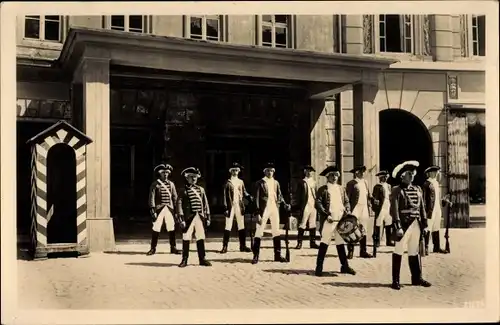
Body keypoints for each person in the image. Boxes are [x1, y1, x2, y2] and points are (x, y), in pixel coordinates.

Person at [390, 160, 431, 290]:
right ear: (402, 175)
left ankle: (416, 278)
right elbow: (394, 210)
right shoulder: (396, 190)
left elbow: (422, 207)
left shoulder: (417, 189)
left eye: (413, 174)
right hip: (403, 224)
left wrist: (425, 224)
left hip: (416, 224)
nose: (412, 176)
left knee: (414, 252)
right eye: (409, 174)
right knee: (399, 251)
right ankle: (395, 280)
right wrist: (397, 226)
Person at [315, 165, 356, 276]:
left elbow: (346, 201)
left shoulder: (341, 189)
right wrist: (325, 214)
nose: (334, 177)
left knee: (340, 243)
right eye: (332, 175)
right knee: (324, 242)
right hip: (329, 220)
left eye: (336, 175)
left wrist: (347, 210)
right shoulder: (323, 189)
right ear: (327, 177)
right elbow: (317, 203)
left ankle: (345, 266)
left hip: (340, 219)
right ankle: (319, 267)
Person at [252, 162, 291, 264]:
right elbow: (255, 199)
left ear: (274, 172)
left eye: (272, 171)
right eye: (268, 170)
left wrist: (285, 204)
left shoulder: (276, 183)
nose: (270, 172)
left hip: (274, 207)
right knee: (259, 231)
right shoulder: (259, 183)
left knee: (276, 231)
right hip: (263, 209)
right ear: (264, 171)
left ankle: (277, 255)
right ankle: (255, 255)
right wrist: (257, 213)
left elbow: (279, 195)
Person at [177, 167, 212, 267]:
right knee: (186, 237)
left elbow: (205, 204)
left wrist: (208, 217)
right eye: (191, 177)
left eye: (195, 177)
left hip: (199, 216)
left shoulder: (201, 189)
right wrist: (181, 218)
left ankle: (202, 259)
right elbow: (179, 205)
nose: (193, 179)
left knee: (200, 237)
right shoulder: (183, 190)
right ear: (187, 178)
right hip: (189, 217)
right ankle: (184, 260)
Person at [146, 164, 180, 256]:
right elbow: (151, 198)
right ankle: (153, 248)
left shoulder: (171, 184)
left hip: (169, 209)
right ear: (160, 174)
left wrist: (177, 211)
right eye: (163, 173)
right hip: (159, 208)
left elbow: (175, 198)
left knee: (171, 228)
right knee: (156, 228)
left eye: (167, 173)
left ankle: (173, 247)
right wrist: (152, 209)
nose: (165, 174)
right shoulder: (155, 184)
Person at [220, 162, 253, 254]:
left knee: (241, 225)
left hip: (239, 205)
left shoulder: (240, 182)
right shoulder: (227, 182)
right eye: (233, 170)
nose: (235, 172)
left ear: (238, 172)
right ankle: (225, 246)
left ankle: (243, 246)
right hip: (231, 206)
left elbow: (244, 192)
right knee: (228, 225)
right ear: (230, 172)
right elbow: (224, 196)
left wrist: (249, 196)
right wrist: (225, 208)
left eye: (236, 170)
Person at [422, 165, 452, 255]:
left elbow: (437, 198)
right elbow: (423, 199)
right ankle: (425, 247)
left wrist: (445, 201)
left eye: (437, 172)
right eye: (435, 172)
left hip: (437, 208)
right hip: (429, 210)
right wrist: (424, 211)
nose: (437, 174)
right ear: (430, 173)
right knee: (428, 228)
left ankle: (436, 247)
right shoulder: (426, 184)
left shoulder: (436, 183)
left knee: (436, 227)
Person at [345, 165, 373, 259]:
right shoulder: (351, 183)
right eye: (360, 171)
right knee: (351, 229)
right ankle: (350, 251)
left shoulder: (365, 182)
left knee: (363, 229)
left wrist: (372, 202)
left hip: (364, 207)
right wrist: (347, 209)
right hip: (355, 208)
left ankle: (363, 251)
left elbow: (368, 195)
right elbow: (347, 197)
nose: (362, 173)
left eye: (363, 171)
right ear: (356, 173)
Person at [295, 165, 320, 250]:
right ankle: (299, 243)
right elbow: (298, 195)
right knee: (302, 223)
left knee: (312, 223)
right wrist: (297, 206)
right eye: (307, 171)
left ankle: (312, 242)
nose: (309, 172)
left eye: (310, 171)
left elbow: (317, 194)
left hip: (313, 205)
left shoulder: (314, 182)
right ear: (304, 172)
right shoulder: (302, 182)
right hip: (305, 205)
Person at [372, 170, 395, 247]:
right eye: (383, 177)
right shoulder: (377, 186)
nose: (385, 178)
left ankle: (389, 241)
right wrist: (375, 204)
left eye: (386, 177)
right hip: (381, 207)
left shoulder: (389, 186)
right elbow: (374, 197)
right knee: (378, 223)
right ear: (380, 178)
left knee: (389, 223)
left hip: (388, 206)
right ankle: (376, 241)